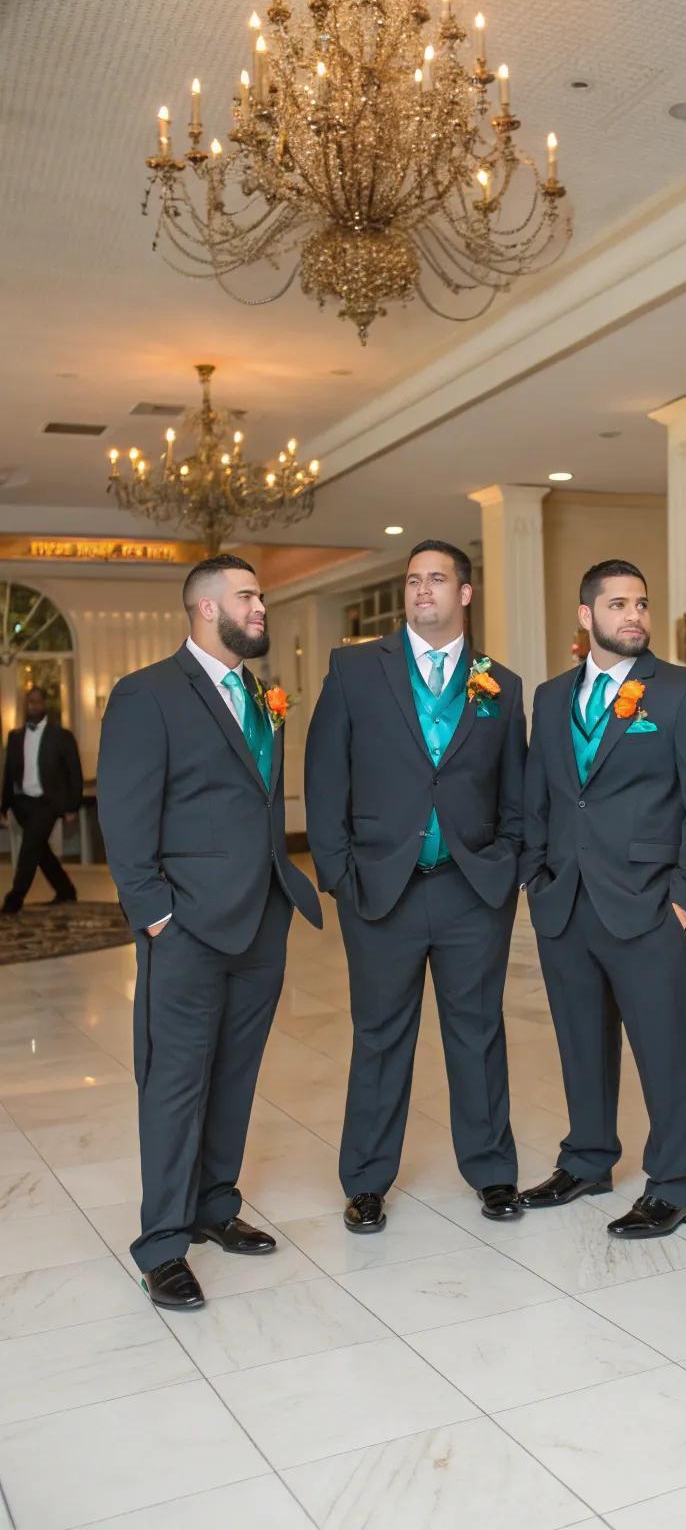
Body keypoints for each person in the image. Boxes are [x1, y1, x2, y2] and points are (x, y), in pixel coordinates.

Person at [97, 554, 322, 1310]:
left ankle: (213, 1208)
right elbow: (125, 817)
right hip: (187, 924)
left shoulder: (259, 694)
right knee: (174, 1082)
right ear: (204, 608)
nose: (262, 607)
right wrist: (155, 912)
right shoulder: (147, 695)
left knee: (235, 1074)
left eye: (260, 596)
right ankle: (162, 1243)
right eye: (249, 597)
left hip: (262, 916)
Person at [305, 540, 527, 1233]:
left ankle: (492, 1173)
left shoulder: (501, 684)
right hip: (381, 887)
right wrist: (340, 873)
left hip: (471, 889)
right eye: (413, 580)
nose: (421, 590)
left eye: (436, 580)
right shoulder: (353, 669)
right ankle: (367, 1181)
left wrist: (507, 866)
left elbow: (516, 792)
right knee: (379, 1035)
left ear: (465, 594)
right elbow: (323, 779)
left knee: (478, 1033)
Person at [519, 560, 686, 1238]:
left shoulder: (681, 692)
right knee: (580, 1043)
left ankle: (675, 1184)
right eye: (617, 604)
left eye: (640, 603)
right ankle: (587, 1159)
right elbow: (539, 799)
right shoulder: (551, 699)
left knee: (663, 1048)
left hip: (646, 902)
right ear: (586, 617)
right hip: (566, 901)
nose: (633, 615)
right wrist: (536, 878)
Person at [1, 686, 82, 915]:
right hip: (23, 804)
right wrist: (5, 805)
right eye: (29, 702)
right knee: (39, 850)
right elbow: (9, 772)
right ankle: (66, 890)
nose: (33, 706)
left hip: (49, 803)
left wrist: (72, 806)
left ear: (44, 704)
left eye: (37, 702)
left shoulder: (62, 736)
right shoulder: (15, 736)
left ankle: (13, 901)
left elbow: (73, 772)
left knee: (29, 849)